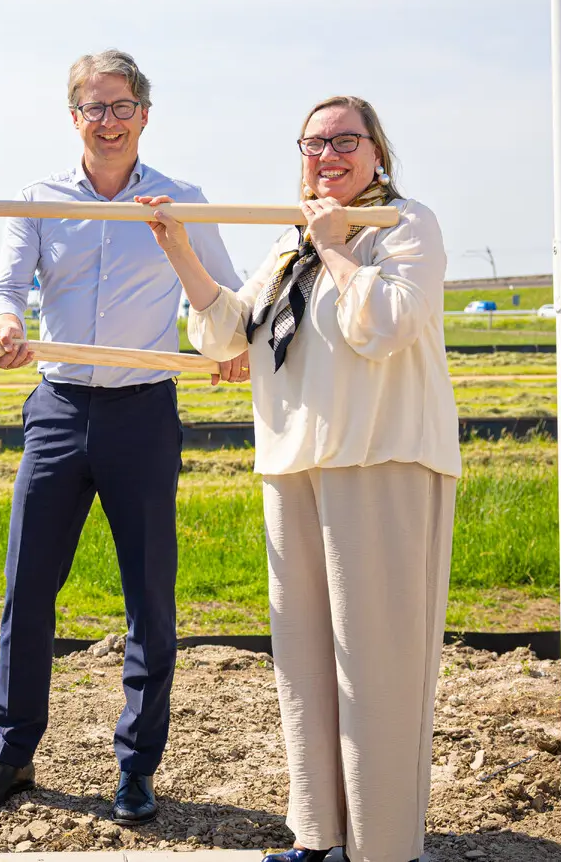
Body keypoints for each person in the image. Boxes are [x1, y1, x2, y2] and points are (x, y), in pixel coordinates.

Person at [138, 95, 460, 862]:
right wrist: (178, 248)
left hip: (381, 461)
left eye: (346, 141)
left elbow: (383, 327)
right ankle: (319, 838)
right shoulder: (291, 242)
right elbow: (229, 332)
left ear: (378, 152)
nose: (328, 156)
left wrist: (341, 247)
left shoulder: (403, 224)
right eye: (314, 145)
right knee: (307, 665)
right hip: (293, 466)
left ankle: (384, 848)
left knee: (376, 664)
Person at [0, 49, 248, 825]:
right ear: (73, 117)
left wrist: (228, 347)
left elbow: (224, 301)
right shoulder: (40, 198)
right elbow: (2, 289)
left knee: (149, 599)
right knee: (28, 592)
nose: (109, 121)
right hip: (56, 409)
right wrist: (7, 323)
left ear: (145, 115)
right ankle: (13, 756)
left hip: (143, 412)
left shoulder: (181, 201)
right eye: (94, 108)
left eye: (122, 107)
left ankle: (136, 769)